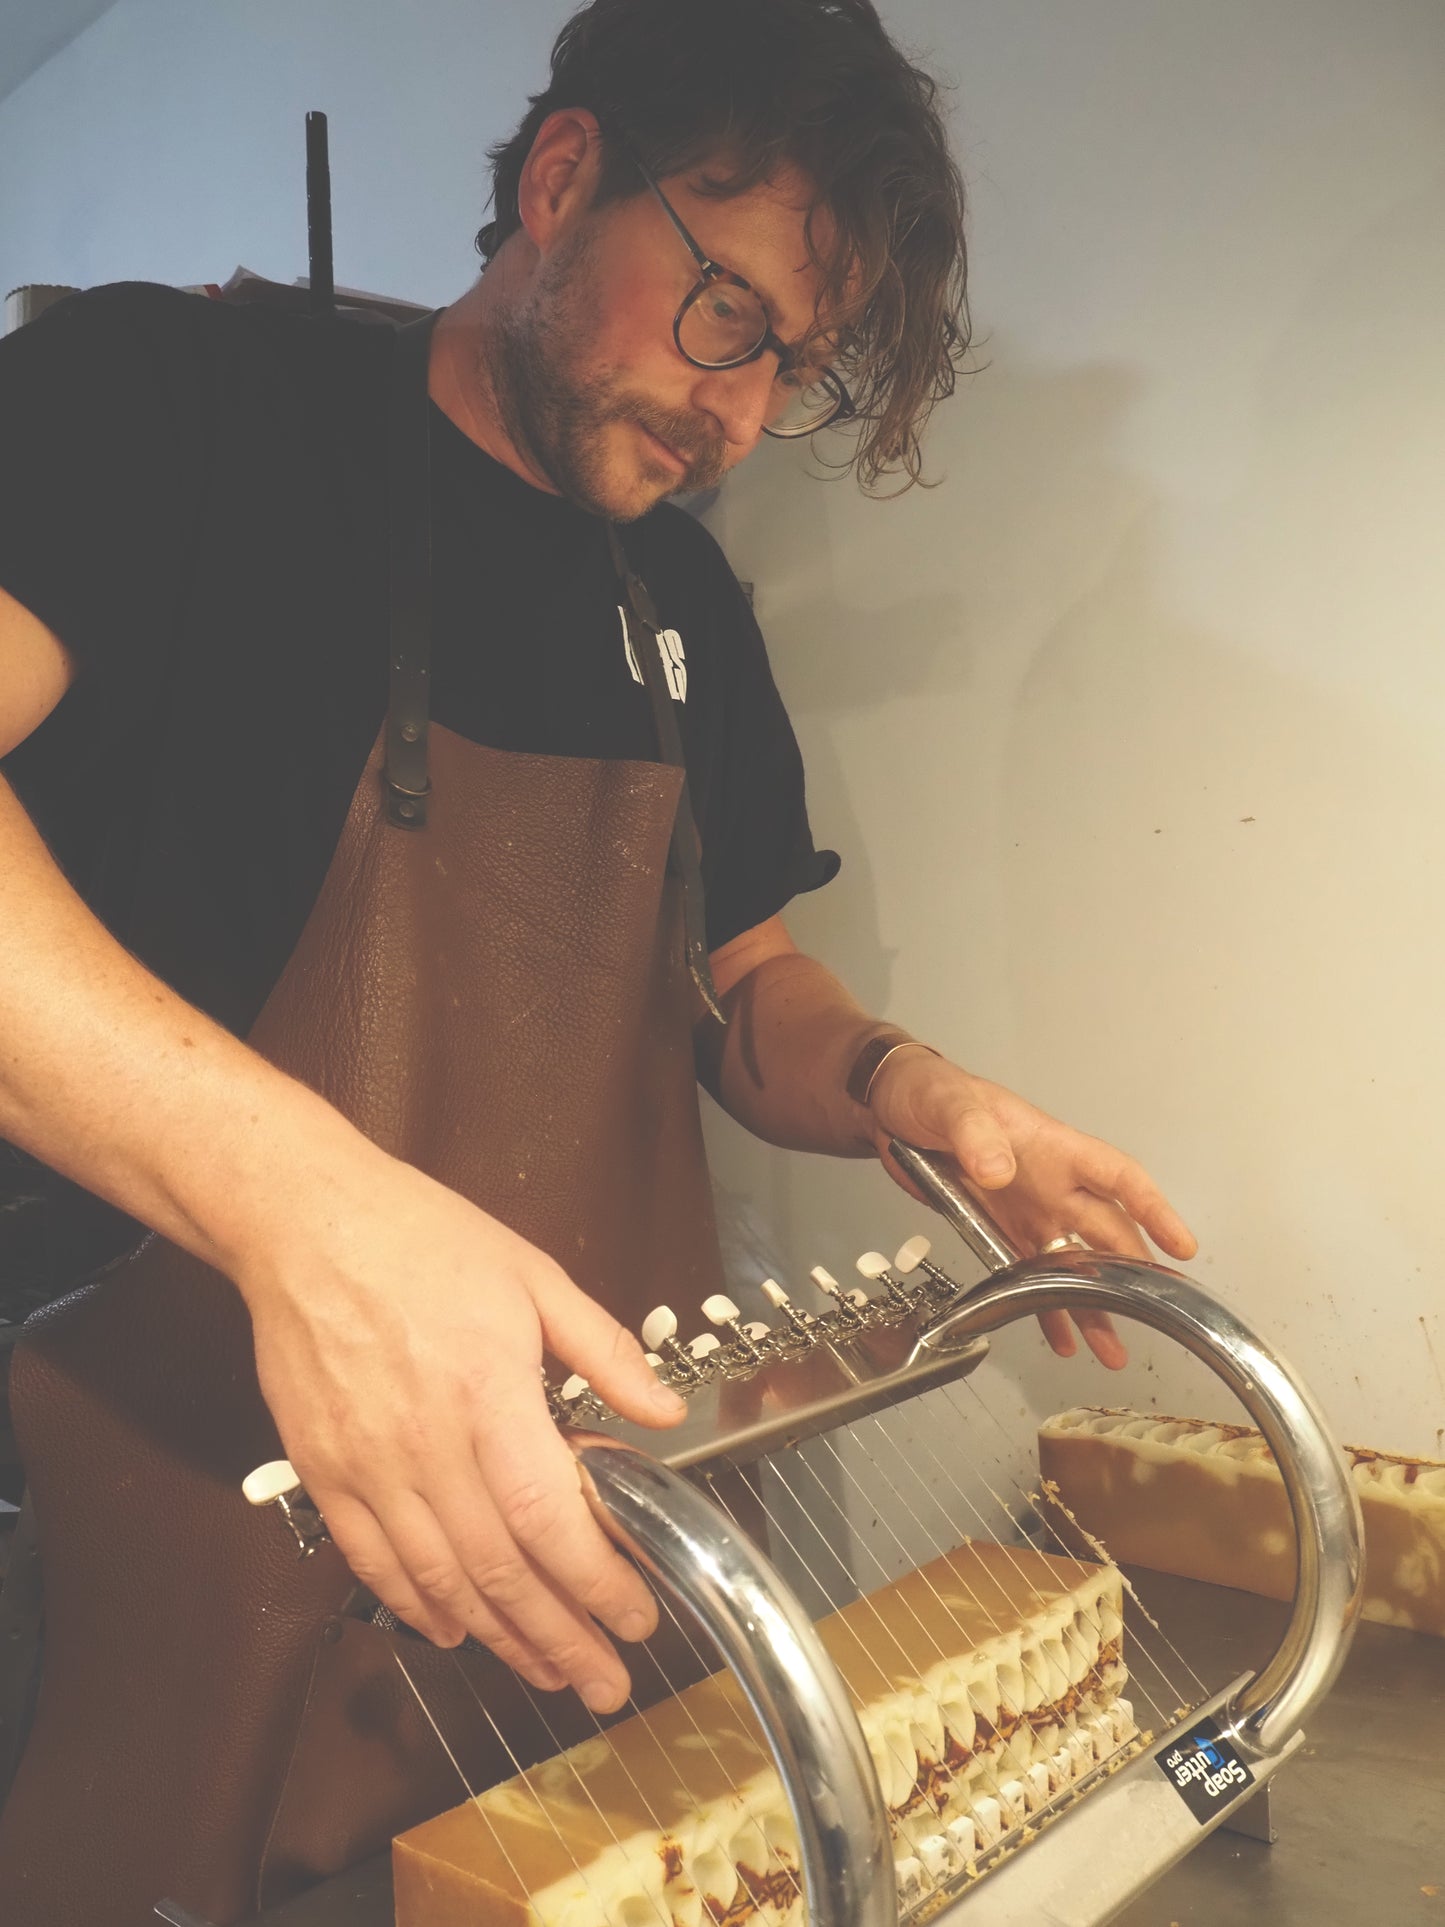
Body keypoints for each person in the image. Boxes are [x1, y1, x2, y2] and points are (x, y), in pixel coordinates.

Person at [0, 0, 1195, 1735]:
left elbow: (743, 983)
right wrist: (305, 1214)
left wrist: (896, 1084)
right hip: (146, 1515)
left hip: (573, 1522)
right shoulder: (172, 401)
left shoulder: (689, 604)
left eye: (797, 363)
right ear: (566, 177)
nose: (743, 410)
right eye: (729, 315)